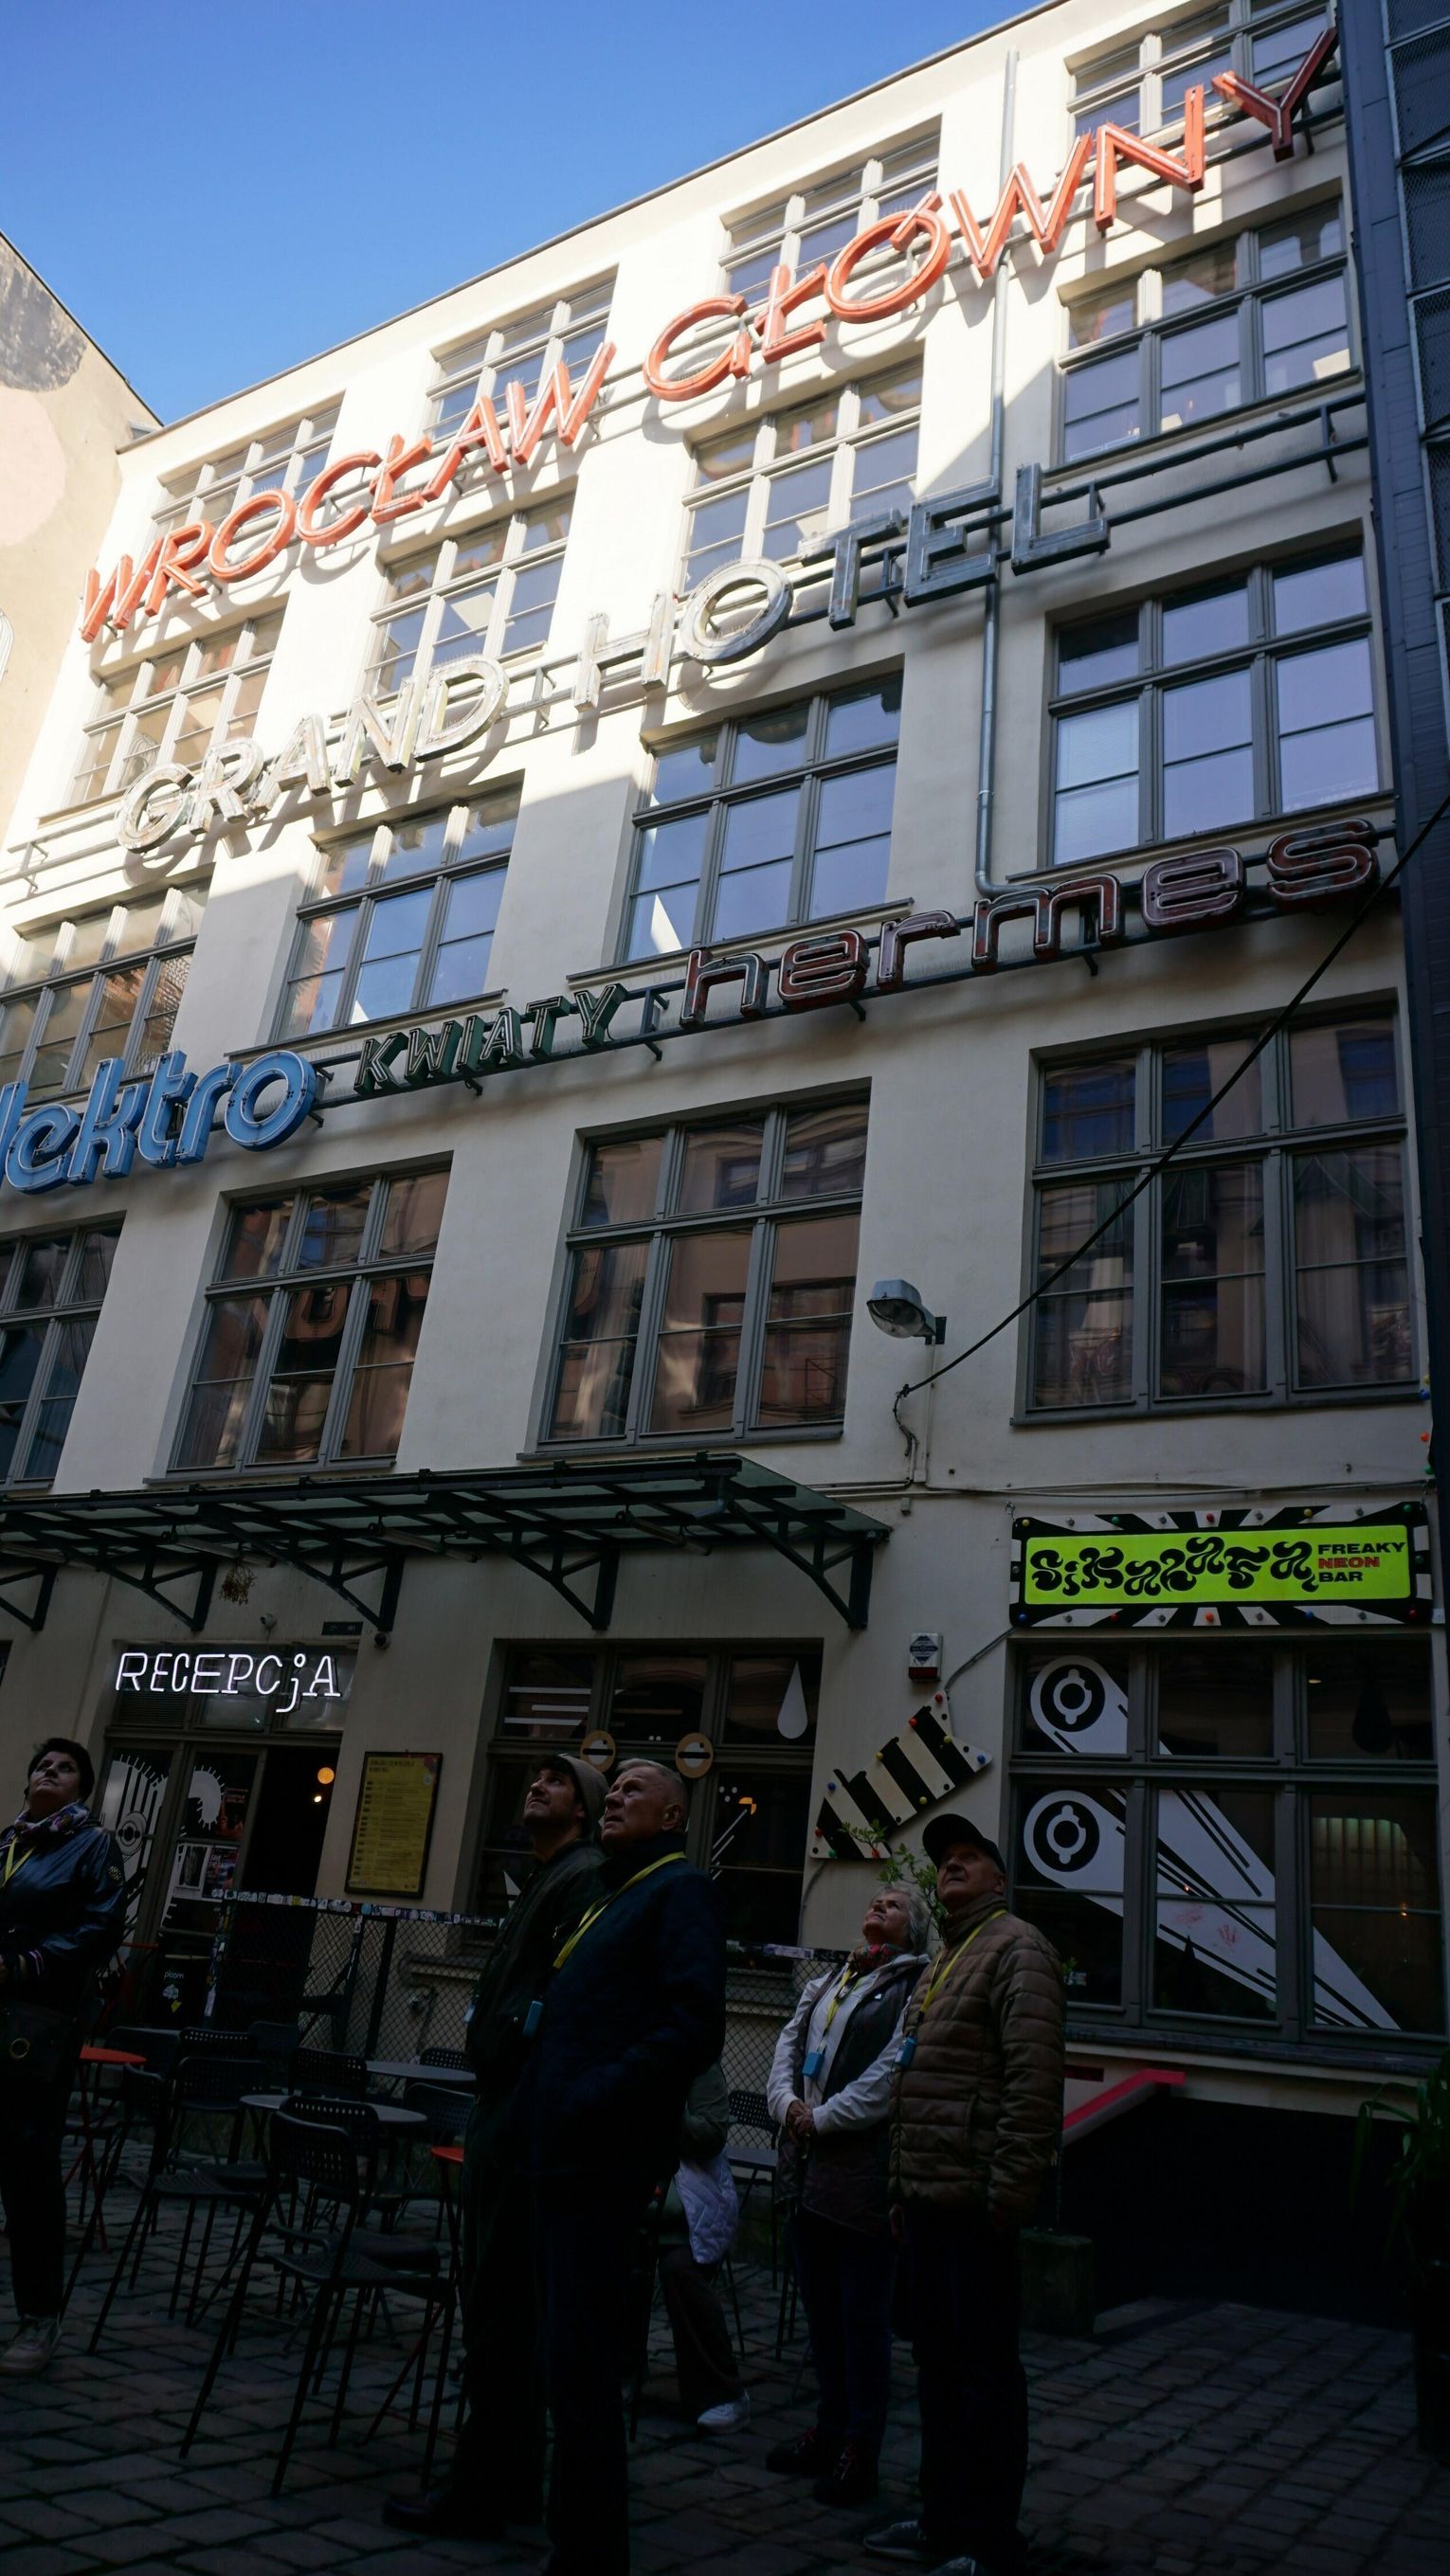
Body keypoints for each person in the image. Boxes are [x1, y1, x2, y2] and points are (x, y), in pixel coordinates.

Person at [384, 1751, 607, 2541]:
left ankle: (484, 2486)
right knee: (499, 2304)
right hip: (505, 2104)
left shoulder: (580, 1876)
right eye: (535, 1777)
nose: (536, 1785)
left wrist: (510, 2047)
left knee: (502, 2307)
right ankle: (509, 2480)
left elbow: (560, 1996)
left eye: (558, 1781)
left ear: (583, 1809)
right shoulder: (546, 1874)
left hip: (519, 2111)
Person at [531, 1757, 726, 2576]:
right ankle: (571, 2531)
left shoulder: (678, 1890)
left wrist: (595, 2092)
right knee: (566, 2360)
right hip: (565, 2149)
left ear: (673, 1815)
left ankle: (589, 2552)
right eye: (610, 1788)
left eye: (633, 1789)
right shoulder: (615, 1891)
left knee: (584, 2365)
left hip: (603, 2155)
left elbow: (693, 2024)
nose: (613, 1796)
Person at [866, 1814, 1064, 2576]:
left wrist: (1009, 2191)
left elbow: (1032, 2080)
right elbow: (915, 2077)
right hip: (928, 2196)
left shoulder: (1019, 1948)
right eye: (945, 1857)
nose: (951, 1864)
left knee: (985, 2375)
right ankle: (941, 2517)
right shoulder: (948, 1954)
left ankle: (988, 2540)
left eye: (968, 1856)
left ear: (999, 1879)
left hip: (975, 2201)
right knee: (940, 2369)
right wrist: (900, 2185)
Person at [765, 1880, 933, 2506]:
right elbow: (789, 2044)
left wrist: (823, 2117)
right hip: (807, 2166)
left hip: (861, 2170)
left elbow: (892, 2072)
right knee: (822, 2311)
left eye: (893, 1904)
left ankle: (860, 2449)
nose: (878, 1906)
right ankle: (829, 2427)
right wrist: (786, 2105)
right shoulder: (833, 1979)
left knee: (862, 2318)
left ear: (913, 1927)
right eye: (875, 1900)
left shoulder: (914, 1986)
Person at [0, 1737, 126, 2378]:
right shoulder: (9, 1841)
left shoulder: (93, 1846)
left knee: (27, 2165)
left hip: (38, 2023)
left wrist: (27, 1963)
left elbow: (101, 1927)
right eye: (43, 1764)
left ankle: (39, 2315)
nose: (50, 1771)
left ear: (82, 1787)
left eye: (66, 1767)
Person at [657, 2057, 749, 2433]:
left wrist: (662, 2115)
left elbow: (711, 2134)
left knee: (679, 2268)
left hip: (689, 2210)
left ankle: (721, 2391)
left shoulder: (698, 2061)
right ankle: (617, 2372)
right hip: (635, 2203)